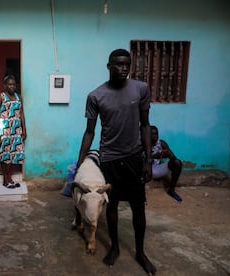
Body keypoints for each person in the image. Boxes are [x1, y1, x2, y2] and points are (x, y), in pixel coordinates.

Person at [76, 49, 156, 275]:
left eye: (127, 64)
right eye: (119, 64)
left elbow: (145, 125)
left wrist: (148, 160)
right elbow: (89, 132)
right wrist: (80, 162)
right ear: (109, 66)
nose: (124, 68)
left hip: (133, 157)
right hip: (109, 159)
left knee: (138, 206)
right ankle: (115, 247)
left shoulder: (140, 89)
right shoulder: (96, 95)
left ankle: (140, 252)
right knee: (111, 205)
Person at [0, 75, 26, 189]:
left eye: (13, 84)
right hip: (4, 131)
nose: (12, 86)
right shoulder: (0, 98)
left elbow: (21, 114)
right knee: (4, 156)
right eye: (9, 84)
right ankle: (5, 179)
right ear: (5, 86)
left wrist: (24, 129)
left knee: (12, 155)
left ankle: (10, 179)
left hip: (16, 131)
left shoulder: (19, 97)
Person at [151, 125, 183, 203]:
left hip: (156, 170)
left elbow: (174, 158)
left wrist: (169, 155)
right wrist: (154, 156)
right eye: (152, 134)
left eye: (156, 134)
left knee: (177, 163)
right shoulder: (143, 144)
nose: (155, 136)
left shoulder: (161, 143)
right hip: (146, 171)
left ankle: (171, 190)